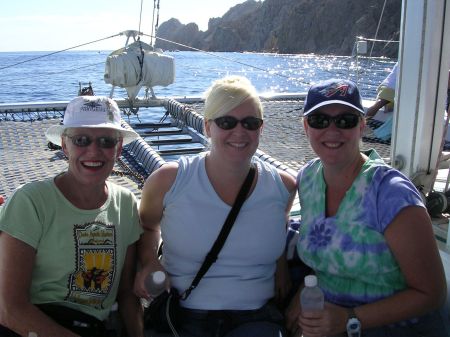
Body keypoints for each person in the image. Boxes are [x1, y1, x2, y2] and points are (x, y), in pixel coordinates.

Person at [134, 75, 297, 337]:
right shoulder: (170, 180)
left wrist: (280, 267)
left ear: (261, 128)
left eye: (250, 123)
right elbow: (146, 225)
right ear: (208, 127)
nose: (239, 132)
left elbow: (276, 226)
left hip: (257, 317)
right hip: (184, 314)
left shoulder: (283, 187)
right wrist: (149, 260)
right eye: (226, 122)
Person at [286, 79, 448, 336]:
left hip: (396, 329)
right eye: (319, 120)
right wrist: (304, 292)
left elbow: (431, 294)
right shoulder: (307, 180)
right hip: (328, 321)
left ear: (362, 125)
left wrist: (350, 318)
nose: (332, 130)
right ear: (306, 126)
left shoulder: (391, 194)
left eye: (345, 120)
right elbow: (328, 254)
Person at [0, 96, 144, 337]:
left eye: (106, 141)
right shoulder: (31, 202)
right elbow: (8, 308)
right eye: (81, 140)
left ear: (118, 149)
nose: (93, 151)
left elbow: (126, 293)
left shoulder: (126, 204)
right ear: (65, 146)